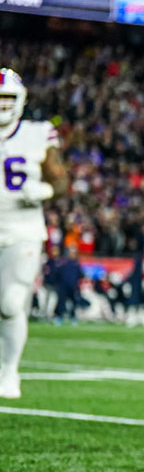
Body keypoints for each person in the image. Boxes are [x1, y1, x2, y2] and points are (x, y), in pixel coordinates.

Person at [0, 67, 69, 398]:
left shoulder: (37, 132)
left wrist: (44, 191)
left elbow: (60, 180)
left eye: (8, 97)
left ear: (21, 100)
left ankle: (9, 371)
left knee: (11, 303)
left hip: (23, 227)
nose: (3, 104)